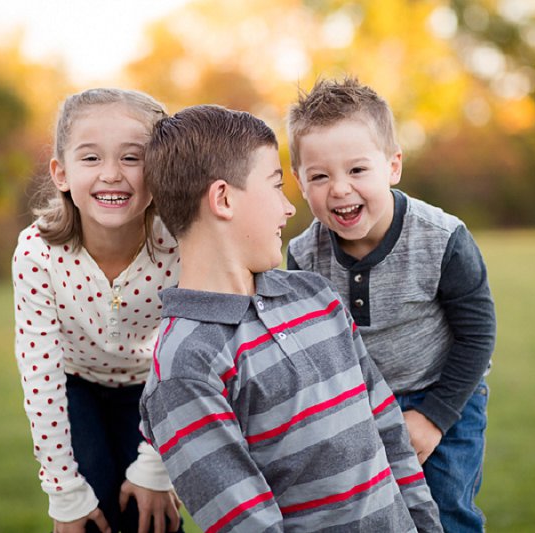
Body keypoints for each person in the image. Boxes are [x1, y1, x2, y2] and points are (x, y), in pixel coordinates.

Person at [138, 104, 443, 532]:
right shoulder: (184, 368)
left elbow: (389, 433)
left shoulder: (315, 296)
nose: (288, 209)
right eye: (276, 186)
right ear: (223, 199)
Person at [285, 77, 497, 532]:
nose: (339, 189)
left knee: (444, 512)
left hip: (444, 394)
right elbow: (308, 347)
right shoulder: (304, 256)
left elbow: (478, 335)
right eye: (320, 176)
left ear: (393, 166)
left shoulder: (441, 238)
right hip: (360, 405)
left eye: (357, 170)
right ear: (300, 183)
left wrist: (435, 416)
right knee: (371, 516)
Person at [12, 88, 184, 533]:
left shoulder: (180, 246)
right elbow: (39, 372)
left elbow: (188, 358)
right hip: (73, 388)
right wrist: (64, 493)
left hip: (153, 388)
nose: (112, 174)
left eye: (132, 158)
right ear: (61, 172)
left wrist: (156, 466)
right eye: (90, 158)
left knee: (152, 518)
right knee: (93, 516)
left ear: (159, 171)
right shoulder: (37, 253)